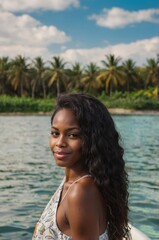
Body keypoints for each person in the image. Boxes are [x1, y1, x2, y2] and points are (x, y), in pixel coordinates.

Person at [32, 93, 130, 240]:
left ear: (94, 139)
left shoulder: (80, 193)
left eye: (73, 135)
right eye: (55, 133)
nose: (59, 143)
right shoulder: (75, 182)